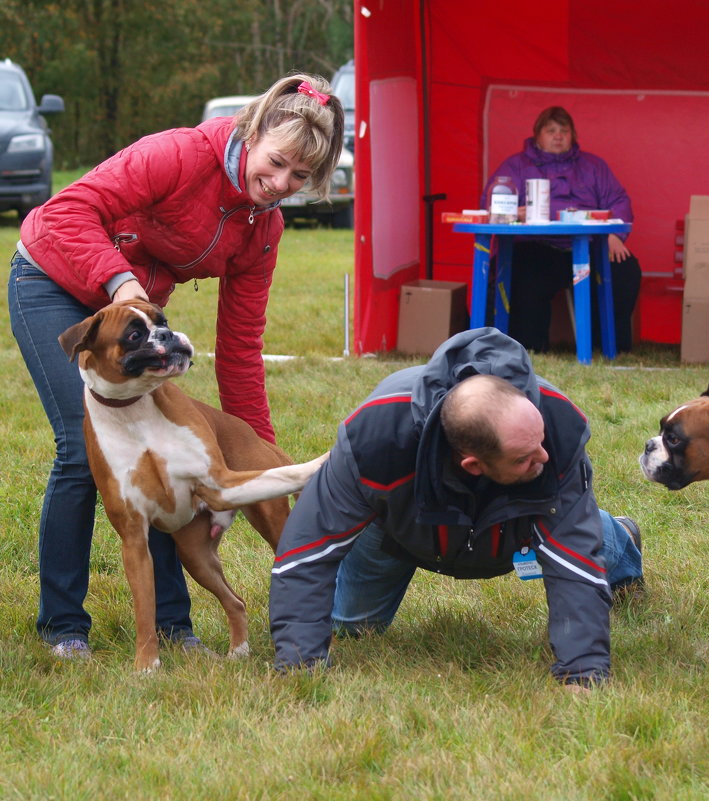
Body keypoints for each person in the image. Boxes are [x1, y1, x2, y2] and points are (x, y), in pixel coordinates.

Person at [8, 73, 346, 660]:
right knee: (79, 444)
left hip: (140, 318)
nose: (280, 184)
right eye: (278, 162)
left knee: (165, 454)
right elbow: (68, 211)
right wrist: (121, 284)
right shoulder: (181, 154)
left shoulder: (262, 227)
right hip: (55, 277)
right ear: (256, 129)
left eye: (300, 178)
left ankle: (173, 627)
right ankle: (63, 626)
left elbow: (240, 348)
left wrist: (256, 466)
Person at [269, 327, 644, 688]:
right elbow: (308, 550)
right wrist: (301, 667)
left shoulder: (554, 430)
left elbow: (575, 559)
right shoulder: (375, 437)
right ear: (472, 465)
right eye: (525, 458)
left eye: (541, 443)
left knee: (574, 527)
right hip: (403, 530)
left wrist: (581, 674)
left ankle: (619, 534)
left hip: (522, 526)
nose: (544, 456)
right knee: (349, 625)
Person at [480, 106, 642, 353]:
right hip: (536, 248)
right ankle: (529, 350)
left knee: (624, 269)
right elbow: (491, 205)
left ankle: (608, 348)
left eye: (564, 131)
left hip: (589, 248)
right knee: (522, 277)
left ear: (573, 136)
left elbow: (619, 202)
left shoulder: (593, 166)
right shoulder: (515, 166)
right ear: (537, 135)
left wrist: (614, 235)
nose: (558, 136)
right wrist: (513, 212)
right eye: (551, 130)